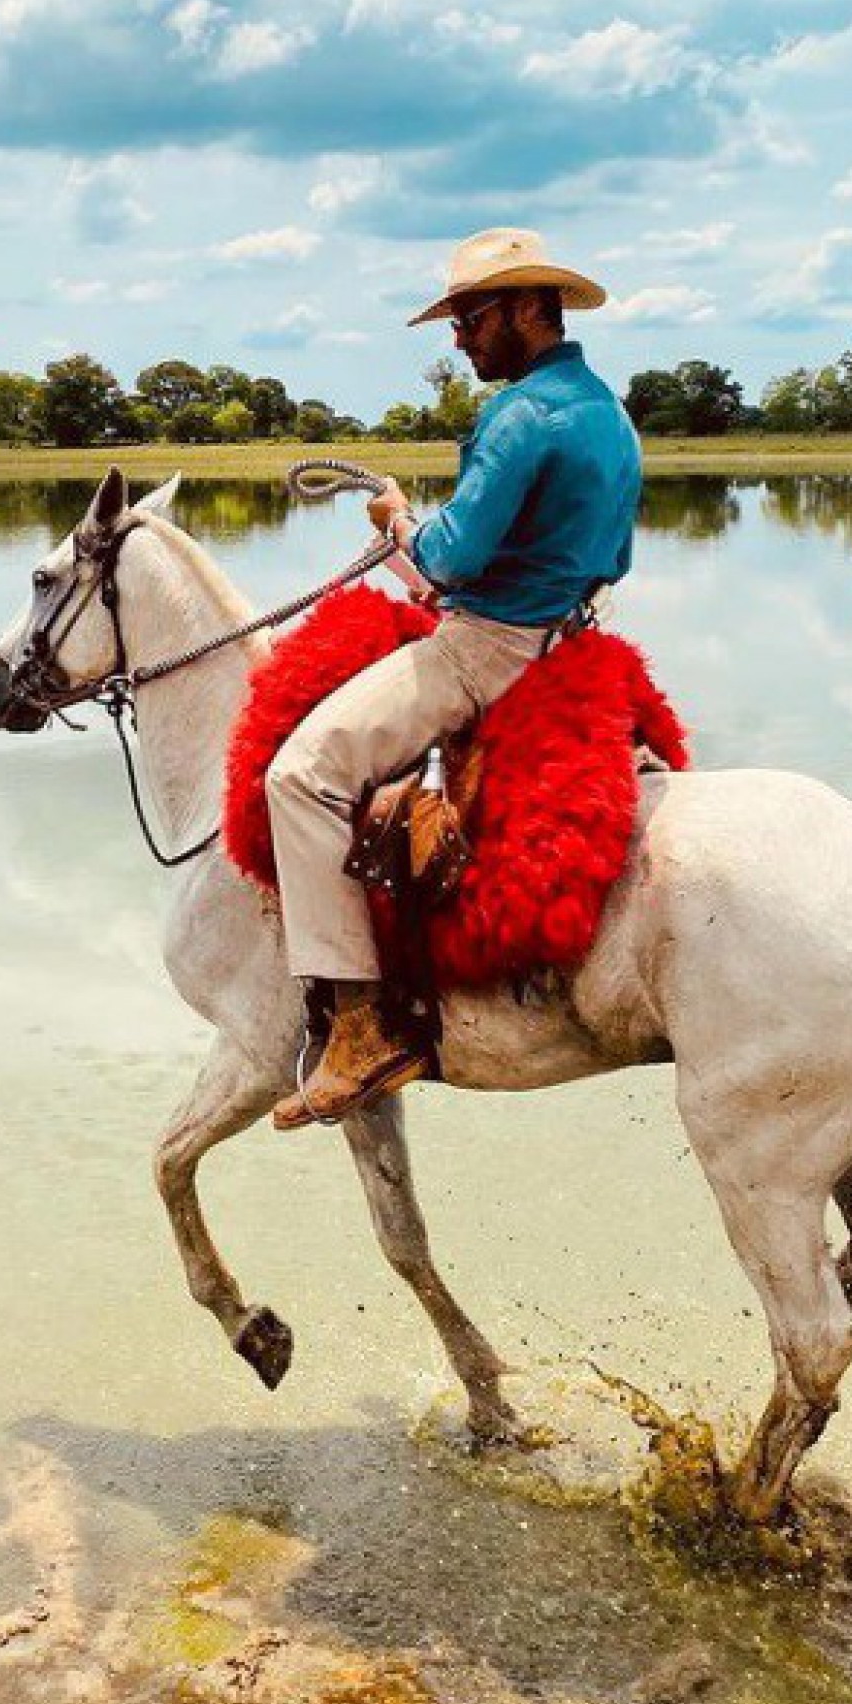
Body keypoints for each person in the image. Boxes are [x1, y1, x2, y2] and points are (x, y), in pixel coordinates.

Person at [268, 226, 643, 1130]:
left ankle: (358, 1025)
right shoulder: (608, 410)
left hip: (483, 650)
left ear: (523, 308)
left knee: (298, 774)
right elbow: (606, 552)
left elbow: (452, 556)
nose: (459, 338)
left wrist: (401, 521)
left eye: (471, 318)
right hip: (569, 638)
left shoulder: (518, 415)